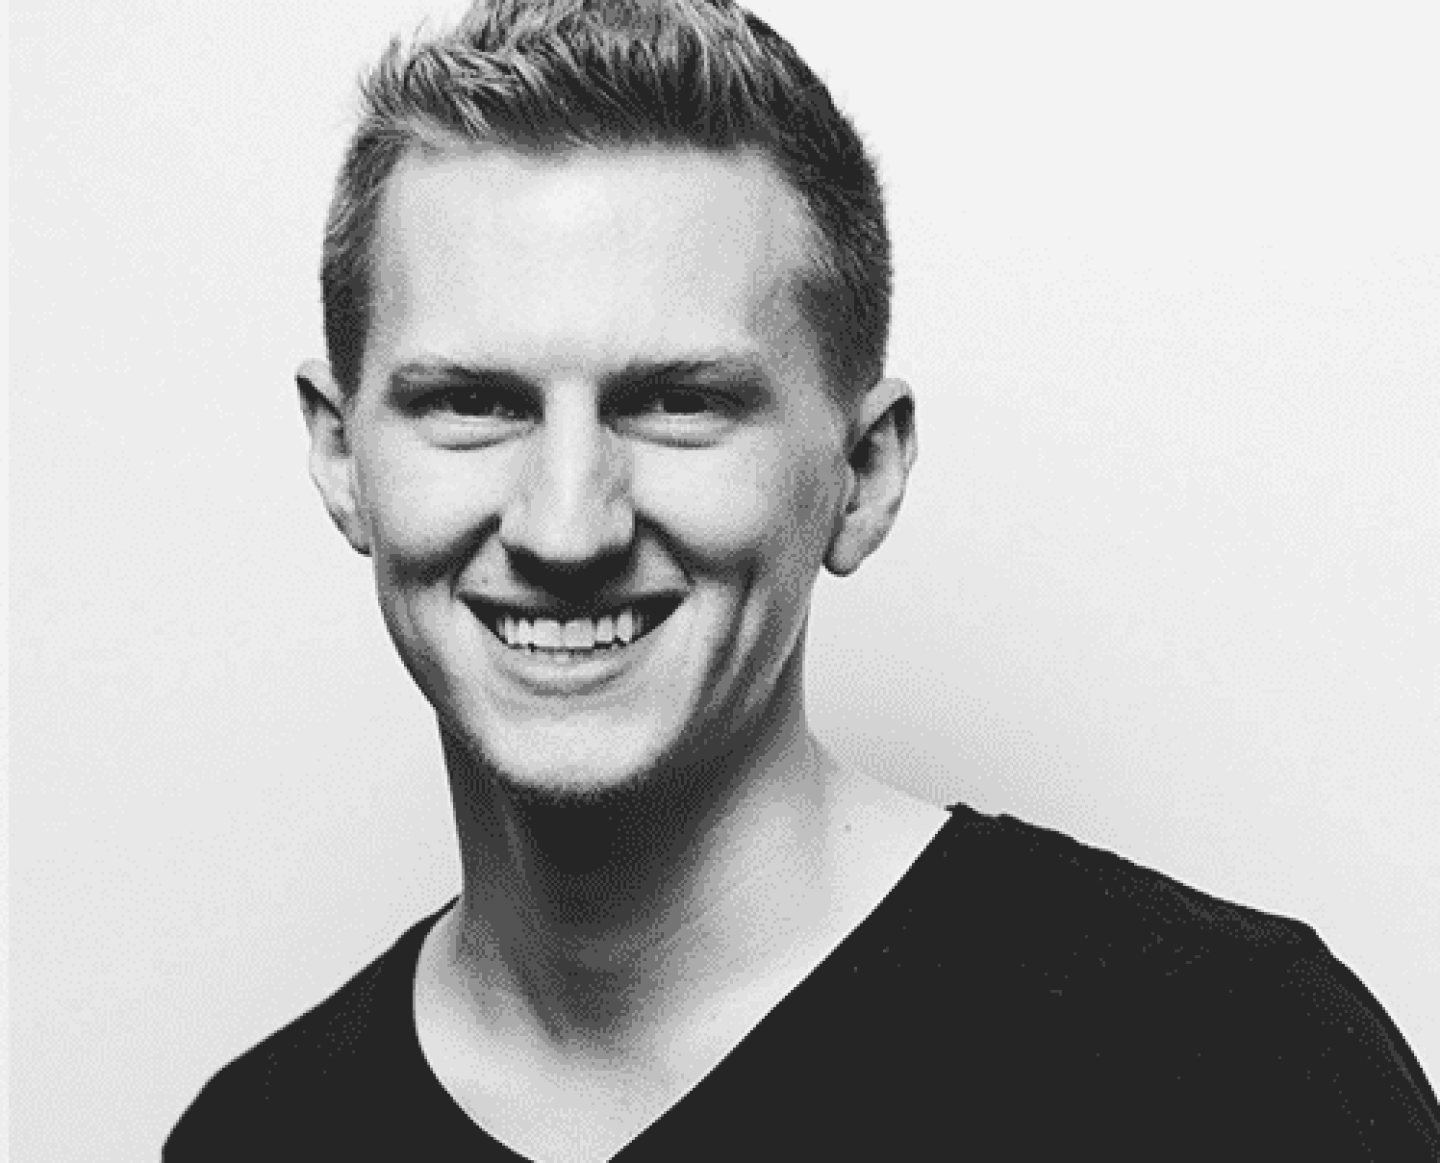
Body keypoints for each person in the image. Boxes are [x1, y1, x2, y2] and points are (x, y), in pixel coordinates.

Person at [165, 1, 1439, 1158]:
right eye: (475, 404)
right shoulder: (254, 1135)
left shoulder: (1231, 1069)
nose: (567, 524)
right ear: (342, 458)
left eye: (678, 403)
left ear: (864, 471)